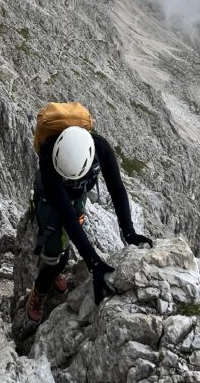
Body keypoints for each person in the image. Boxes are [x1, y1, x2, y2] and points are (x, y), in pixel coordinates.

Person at [26, 125, 153, 323]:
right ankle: (40, 288)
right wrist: (92, 261)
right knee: (56, 253)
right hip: (51, 199)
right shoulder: (47, 157)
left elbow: (117, 189)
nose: (67, 178)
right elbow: (65, 215)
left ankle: (55, 270)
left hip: (77, 197)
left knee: (68, 240)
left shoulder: (101, 148)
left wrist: (128, 231)